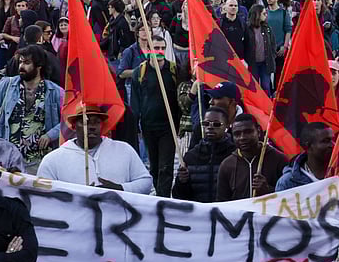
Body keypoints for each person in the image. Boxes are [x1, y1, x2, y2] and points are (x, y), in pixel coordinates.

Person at [37, 105, 154, 192]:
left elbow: (146, 182)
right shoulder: (53, 160)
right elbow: (42, 195)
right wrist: (78, 196)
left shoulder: (124, 150)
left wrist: (120, 188)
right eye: (85, 122)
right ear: (73, 126)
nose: (92, 127)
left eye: (97, 122)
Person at [129, 34, 180, 195]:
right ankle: (158, 196)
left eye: (162, 48)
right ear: (149, 50)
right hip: (148, 126)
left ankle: (164, 198)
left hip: (168, 126)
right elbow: (135, 102)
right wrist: (135, 125)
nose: (159, 51)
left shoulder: (173, 70)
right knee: (155, 166)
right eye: (156, 48)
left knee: (166, 166)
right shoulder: (140, 72)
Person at [173, 107, 237, 203]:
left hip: (225, 213)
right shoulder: (191, 156)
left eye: (216, 124)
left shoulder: (234, 154)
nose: (210, 127)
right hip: (200, 214)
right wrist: (182, 182)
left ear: (227, 126)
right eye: (206, 124)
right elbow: (179, 197)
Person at [217, 113, 288, 199]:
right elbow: (222, 203)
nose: (242, 137)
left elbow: (291, 197)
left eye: (248, 132)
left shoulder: (279, 159)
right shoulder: (227, 165)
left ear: (258, 131)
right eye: (237, 134)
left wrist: (269, 190)